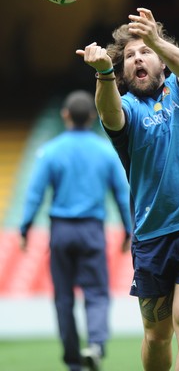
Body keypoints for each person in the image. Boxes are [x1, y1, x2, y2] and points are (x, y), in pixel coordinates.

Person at [76, 7, 179, 371]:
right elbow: (110, 115)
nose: (137, 58)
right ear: (124, 71)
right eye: (129, 56)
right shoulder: (125, 107)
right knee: (156, 335)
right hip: (151, 238)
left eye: (144, 51)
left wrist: (157, 40)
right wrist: (103, 74)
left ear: (161, 61)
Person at [19, 90, 132, 371]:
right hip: (92, 230)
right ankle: (95, 344)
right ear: (93, 117)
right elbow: (121, 193)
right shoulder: (106, 151)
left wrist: (25, 227)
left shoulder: (51, 150)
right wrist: (129, 231)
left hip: (61, 231)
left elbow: (35, 193)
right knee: (96, 292)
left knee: (64, 297)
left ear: (65, 115)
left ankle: (72, 360)